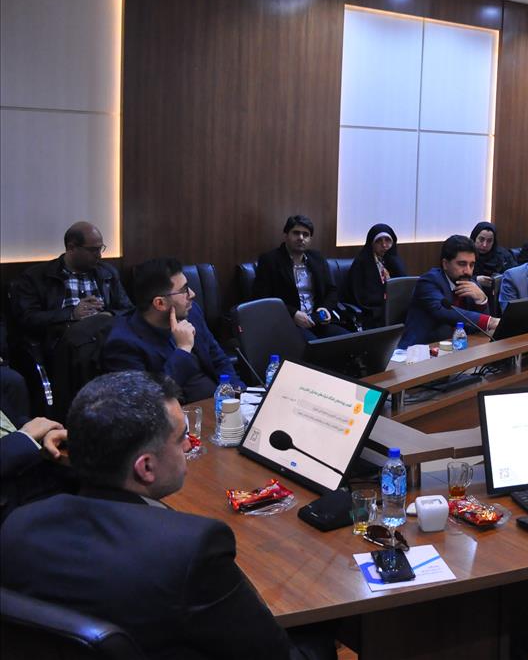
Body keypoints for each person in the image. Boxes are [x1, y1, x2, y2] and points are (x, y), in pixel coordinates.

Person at [0, 371, 333, 659]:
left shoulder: (20, 524)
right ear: (145, 467)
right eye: (181, 438)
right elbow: (271, 653)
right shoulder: (190, 549)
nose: (188, 446)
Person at [104, 258, 244, 403]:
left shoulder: (191, 313)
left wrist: (239, 397)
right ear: (160, 303)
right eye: (184, 290)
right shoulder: (123, 344)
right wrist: (183, 350)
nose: (192, 294)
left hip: (219, 404)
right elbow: (147, 400)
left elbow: (219, 360)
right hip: (182, 412)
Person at [9, 221, 132, 355]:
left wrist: (108, 314)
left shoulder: (107, 273)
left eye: (100, 248)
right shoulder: (36, 277)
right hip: (63, 344)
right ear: (71, 248)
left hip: (107, 337)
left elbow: (128, 310)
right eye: (93, 250)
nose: (99, 255)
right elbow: (28, 318)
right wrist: (71, 314)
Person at [252, 215, 347, 340]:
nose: (301, 238)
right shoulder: (269, 260)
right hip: (288, 322)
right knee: (314, 346)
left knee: (349, 340)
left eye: (306, 235)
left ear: (310, 239)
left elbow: (332, 290)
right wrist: (293, 314)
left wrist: (325, 308)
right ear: (286, 235)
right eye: (296, 233)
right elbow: (263, 298)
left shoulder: (317, 258)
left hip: (317, 320)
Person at [399, 235, 498, 348]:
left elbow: (480, 330)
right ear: (445, 264)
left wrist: (481, 301)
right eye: (462, 264)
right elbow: (443, 310)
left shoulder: (471, 285)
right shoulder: (429, 282)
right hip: (419, 350)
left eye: (472, 265)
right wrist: (490, 321)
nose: (468, 271)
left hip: (458, 349)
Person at [1, 410, 73, 524]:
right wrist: (24, 436)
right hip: (13, 512)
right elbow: (24, 433)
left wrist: (47, 431)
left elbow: (13, 423)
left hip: (47, 486)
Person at [345, 223, 407, 329]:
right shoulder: (362, 263)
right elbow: (360, 296)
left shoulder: (394, 261)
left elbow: (404, 288)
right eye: (379, 241)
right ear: (371, 243)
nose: (384, 245)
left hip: (393, 306)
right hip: (372, 310)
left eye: (387, 240)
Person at [470, 221, 517, 302]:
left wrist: (499, 280)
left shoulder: (503, 255)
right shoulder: (466, 254)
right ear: (474, 238)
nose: (484, 245)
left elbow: (515, 276)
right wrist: (475, 279)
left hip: (500, 297)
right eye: (481, 239)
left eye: (489, 241)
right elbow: (456, 278)